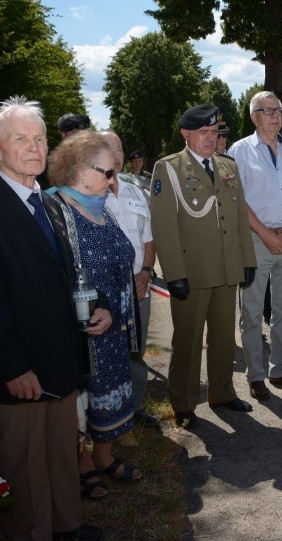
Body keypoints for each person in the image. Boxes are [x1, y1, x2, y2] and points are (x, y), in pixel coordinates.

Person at [0, 96, 107, 541]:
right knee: (25, 457)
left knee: (60, 448)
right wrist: (12, 367)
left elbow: (66, 270)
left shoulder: (47, 200)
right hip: (19, 364)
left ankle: (64, 521)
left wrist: (94, 310)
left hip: (60, 353)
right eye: (21, 139)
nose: (34, 148)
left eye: (39, 138)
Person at [46, 131, 145, 498]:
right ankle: (81, 463)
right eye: (106, 172)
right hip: (82, 331)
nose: (112, 180)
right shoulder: (56, 210)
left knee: (112, 393)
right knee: (81, 399)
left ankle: (105, 456)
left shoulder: (98, 206)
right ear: (78, 169)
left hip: (113, 325)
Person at [151, 104, 257, 428]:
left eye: (214, 133)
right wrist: (174, 273)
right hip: (192, 273)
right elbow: (164, 226)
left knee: (224, 338)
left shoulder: (227, 166)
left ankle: (222, 393)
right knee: (188, 339)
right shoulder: (168, 169)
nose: (210, 139)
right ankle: (183, 402)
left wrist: (247, 260)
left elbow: (239, 218)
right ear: (186, 134)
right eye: (203, 133)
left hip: (227, 269)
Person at [227, 91, 282, 401]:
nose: (276, 115)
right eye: (268, 110)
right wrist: (265, 234)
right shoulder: (239, 151)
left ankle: (281, 369)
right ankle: (256, 375)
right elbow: (237, 199)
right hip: (255, 240)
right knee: (250, 311)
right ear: (254, 117)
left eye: (278, 109)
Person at [99, 131, 159, 428]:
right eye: (110, 148)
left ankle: (135, 408)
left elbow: (149, 239)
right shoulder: (87, 195)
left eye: (120, 148)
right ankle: (108, 414)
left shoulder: (136, 192)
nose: (118, 154)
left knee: (136, 352)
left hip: (140, 289)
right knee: (107, 356)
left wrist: (146, 273)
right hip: (106, 295)